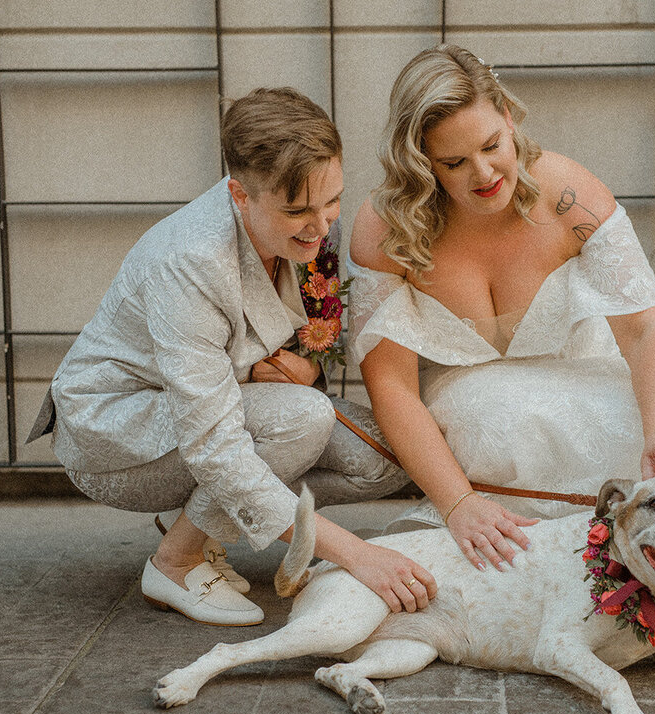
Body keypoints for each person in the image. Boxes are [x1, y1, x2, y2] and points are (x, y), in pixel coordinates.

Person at [28, 87, 436, 626]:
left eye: (332, 199)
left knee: (388, 454)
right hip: (120, 436)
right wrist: (359, 556)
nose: (321, 225)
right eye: (297, 210)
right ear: (240, 194)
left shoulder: (309, 218)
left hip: (222, 408)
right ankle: (175, 560)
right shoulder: (191, 263)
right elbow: (215, 446)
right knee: (303, 420)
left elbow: (319, 316)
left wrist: (308, 362)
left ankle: (196, 523)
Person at [348, 44, 655, 572]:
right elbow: (392, 386)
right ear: (421, 162)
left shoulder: (569, 194)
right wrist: (458, 503)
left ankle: (647, 557)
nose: (484, 172)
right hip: (474, 400)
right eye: (454, 162)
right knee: (496, 424)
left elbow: (646, 331)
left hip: (581, 374)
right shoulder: (386, 229)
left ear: (509, 115)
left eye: (493, 144)